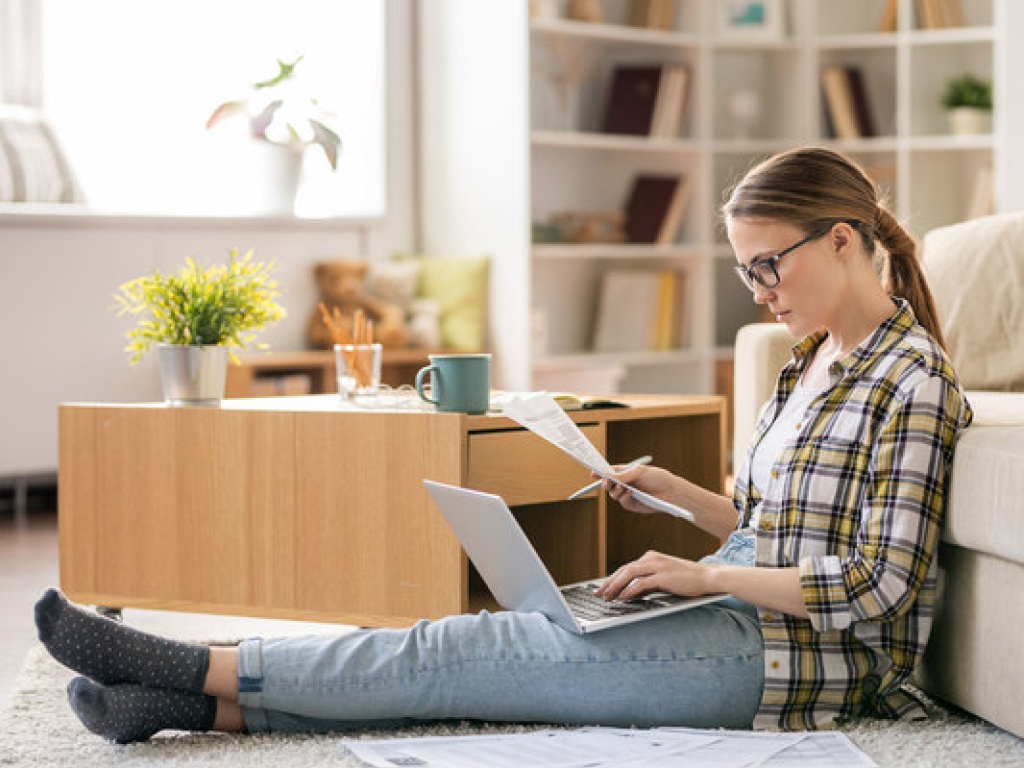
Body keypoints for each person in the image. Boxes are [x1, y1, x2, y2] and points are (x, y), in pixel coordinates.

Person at [34, 147, 972, 743]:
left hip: (798, 662)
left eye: (770, 264)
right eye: (744, 269)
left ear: (844, 240)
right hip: (741, 618)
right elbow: (770, 528)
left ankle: (196, 668)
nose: (758, 288)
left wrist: (702, 576)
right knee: (480, 647)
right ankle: (203, 708)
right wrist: (680, 498)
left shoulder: (913, 380)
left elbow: (876, 585)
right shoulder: (799, 364)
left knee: (467, 655)